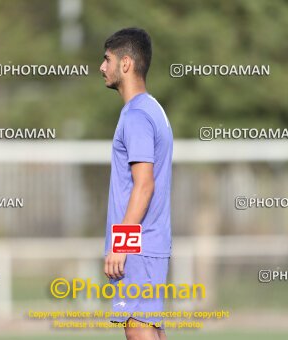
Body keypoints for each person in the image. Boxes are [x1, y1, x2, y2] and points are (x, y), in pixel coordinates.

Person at [100, 27, 173, 340]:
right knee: (150, 329)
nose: (102, 67)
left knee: (139, 329)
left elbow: (144, 185)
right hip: (149, 245)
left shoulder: (136, 116)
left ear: (125, 64)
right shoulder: (152, 108)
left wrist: (121, 244)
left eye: (107, 59)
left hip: (138, 246)